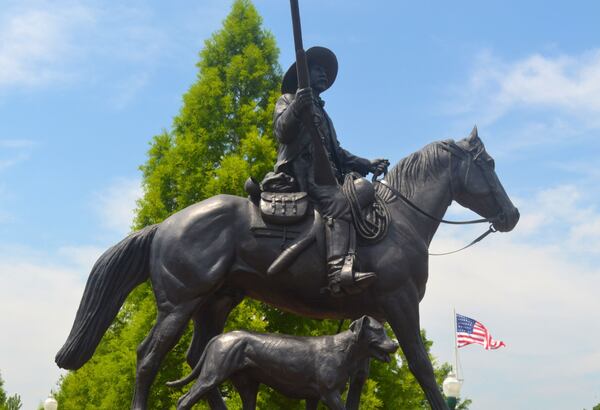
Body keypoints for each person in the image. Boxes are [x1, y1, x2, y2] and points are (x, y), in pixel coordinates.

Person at [270, 46, 388, 296]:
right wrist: (297, 107)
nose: (324, 74)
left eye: (325, 71)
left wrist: (366, 163)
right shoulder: (288, 101)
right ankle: (337, 271)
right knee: (340, 201)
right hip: (302, 175)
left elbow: (337, 152)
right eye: (317, 69)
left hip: (326, 177)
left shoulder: (322, 112)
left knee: (361, 192)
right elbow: (282, 131)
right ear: (304, 75)